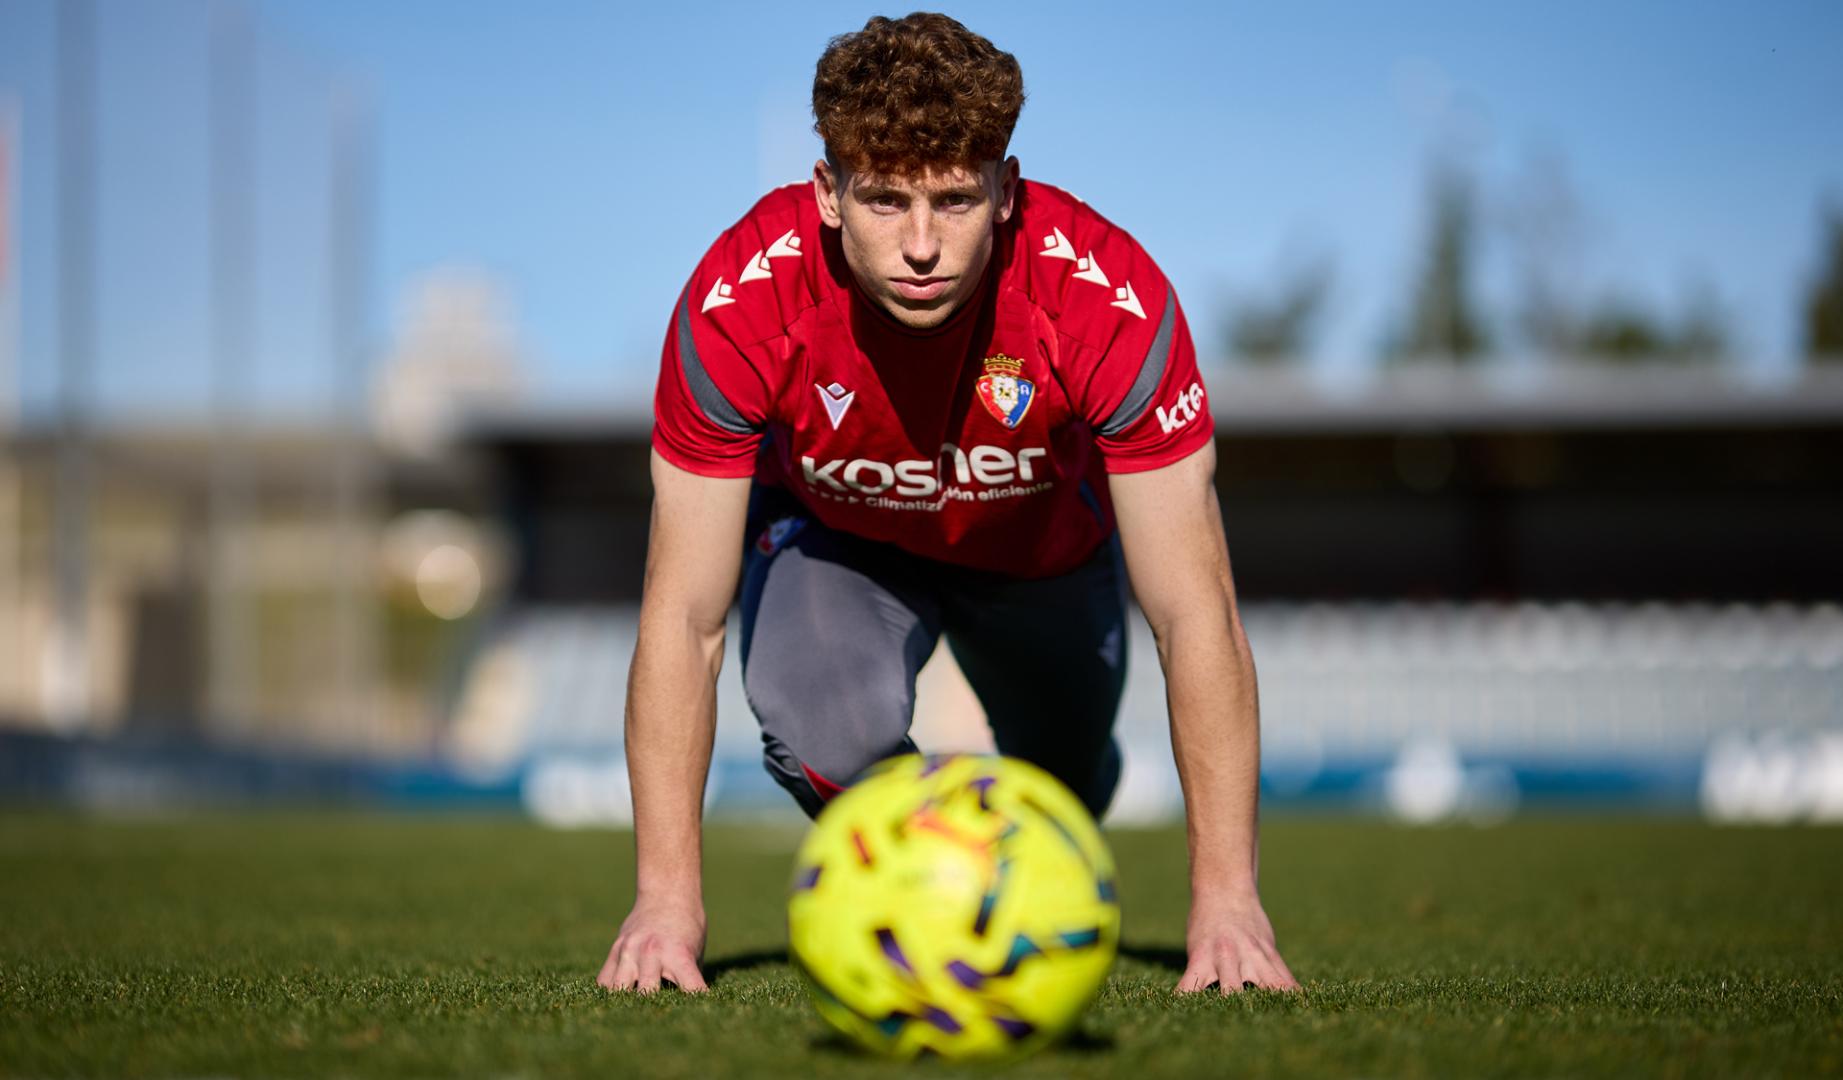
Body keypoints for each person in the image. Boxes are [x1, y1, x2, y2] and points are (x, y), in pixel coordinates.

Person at [597, 11, 1297, 997]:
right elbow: (683, 618)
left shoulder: (1106, 301)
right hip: (841, 546)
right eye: (884, 200)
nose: (920, 245)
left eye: (956, 200)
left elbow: (1195, 615)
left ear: (1006, 192)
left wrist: (1226, 903)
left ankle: (1055, 792)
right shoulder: (737, 304)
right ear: (827, 194)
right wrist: (666, 902)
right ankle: (935, 893)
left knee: (1057, 792)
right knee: (822, 727)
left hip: (1043, 553)